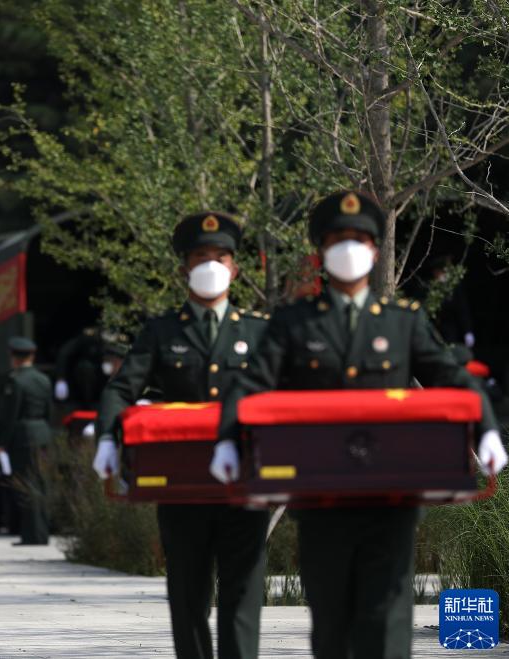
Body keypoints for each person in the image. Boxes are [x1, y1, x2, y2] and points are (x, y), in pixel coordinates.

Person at [211, 191, 508, 659]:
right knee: (332, 623)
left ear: (373, 249)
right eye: (338, 240)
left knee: (387, 621)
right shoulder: (294, 324)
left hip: (390, 496)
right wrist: (229, 438)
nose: (349, 248)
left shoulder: (402, 322)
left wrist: (486, 428)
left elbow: (451, 377)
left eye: (359, 239)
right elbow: (250, 384)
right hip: (321, 495)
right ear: (322, 250)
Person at [92, 211, 271, 659]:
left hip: (246, 479)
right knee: (188, 593)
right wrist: (108, 437)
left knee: (243, 592)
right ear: (183, 269)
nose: (210, 265)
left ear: (235, 268)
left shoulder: (258, 331)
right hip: (181, 481)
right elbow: (122, 388)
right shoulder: (162, 331)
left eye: (220, 257)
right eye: (200, 257)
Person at [0, 337, 52, 546]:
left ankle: (31, 535)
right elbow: (49, 411)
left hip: (24, 436)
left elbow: (11, 415)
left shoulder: (16, 380)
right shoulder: (44, 379)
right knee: (42, 482)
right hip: (43, 433)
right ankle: (42, 533)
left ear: (14, 357)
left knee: (27, 483)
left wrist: (3, 442)